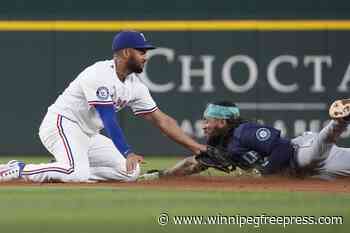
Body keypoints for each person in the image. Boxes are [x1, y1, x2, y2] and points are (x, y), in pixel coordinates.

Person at [0, 30, 206, 183]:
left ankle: (66, 170)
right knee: (75, 173)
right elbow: (108, 119)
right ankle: (20, 170)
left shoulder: (135, 86)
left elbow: (162, 120)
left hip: (88, 134)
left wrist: (198, 148)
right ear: (126, 52)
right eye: (141, 51)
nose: (146, 56)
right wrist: (127, 151)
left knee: (129, 172)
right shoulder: (99, 74)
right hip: (62, 125)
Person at [140, 99, 350, 181]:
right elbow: (193, 164)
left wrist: (265, 174)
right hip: (314, 176)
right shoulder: (218, 145)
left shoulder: (244, 131)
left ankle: (340, 119)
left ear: (222, 122)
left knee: (319, 146)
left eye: (208, 120)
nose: (203, 125)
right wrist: (162, 175)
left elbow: (283, 148)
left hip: (299, 153)